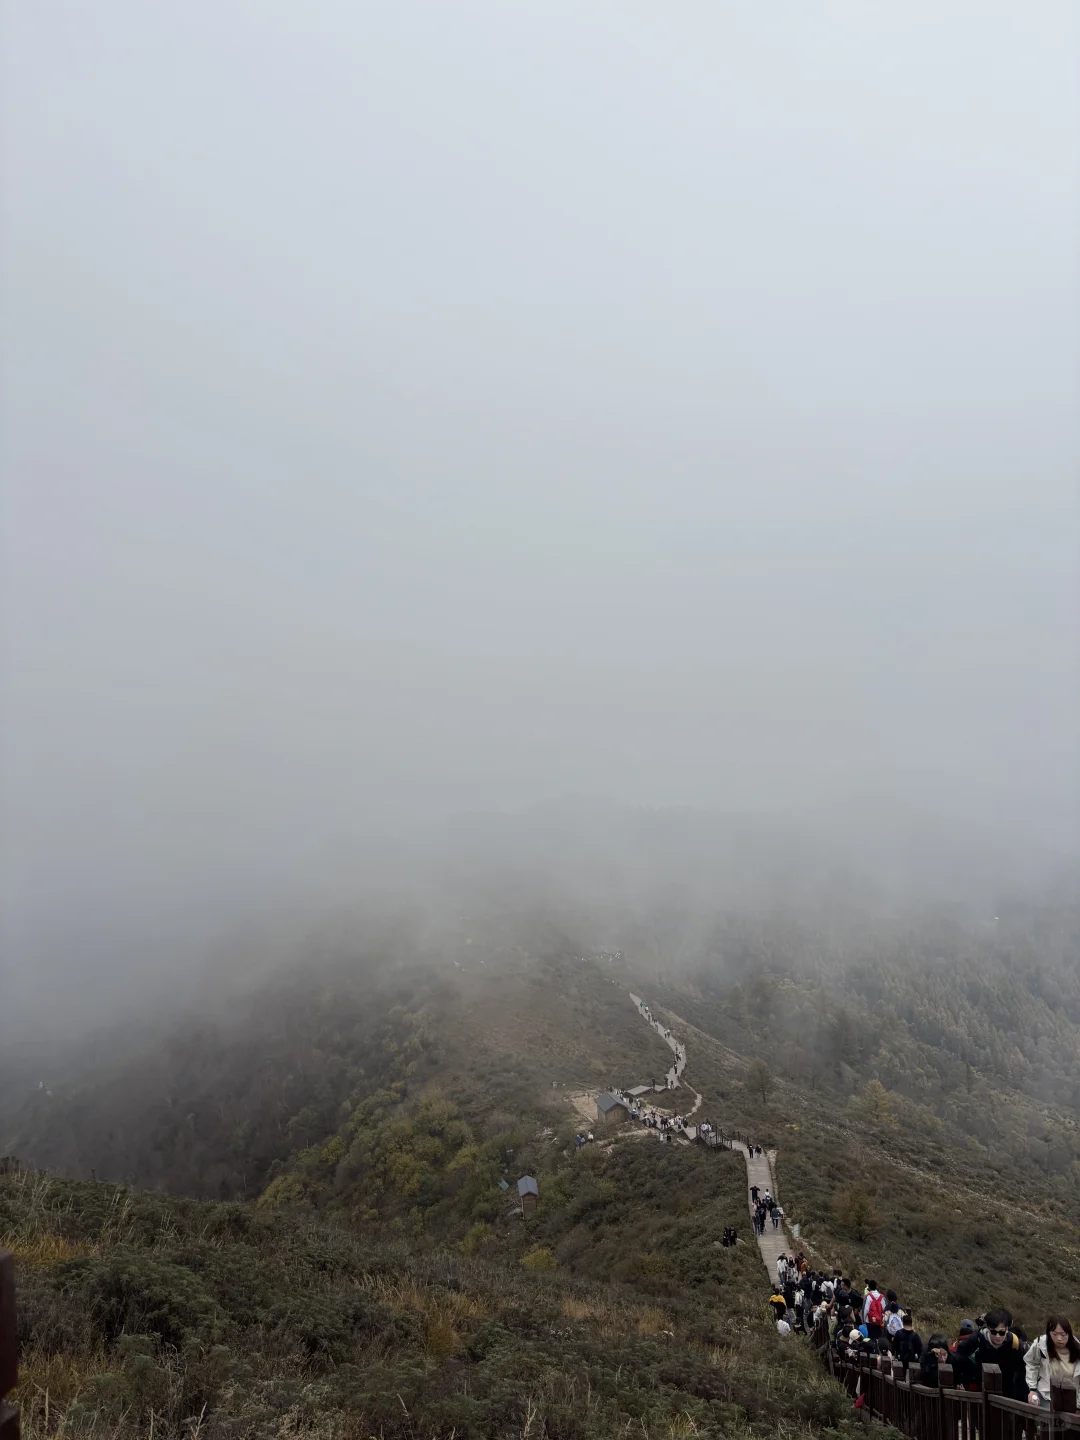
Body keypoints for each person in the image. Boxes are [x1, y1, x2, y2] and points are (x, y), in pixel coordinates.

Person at [955, 1309, 1028, 1401]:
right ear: (988, 1328)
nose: (998, 1336)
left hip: (1007, 1390)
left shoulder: (1015, 1344)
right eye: (993, 1332)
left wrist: (1023, 1397)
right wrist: (966, 1377)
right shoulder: (978, 1338)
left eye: (1001, 1332)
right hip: (981, 1386)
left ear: (1007, 1329)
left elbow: (1022, 1373)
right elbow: (960, 1355)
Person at [1025, 1316, 1080, 1408]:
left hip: (1070, 1398)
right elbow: (1031, 1364)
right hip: (1046, 1395)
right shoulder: (1041, 1345)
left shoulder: (1077, 1349)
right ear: (1049, 1333)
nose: (1059, 1338)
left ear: (1069, 1333)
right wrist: (1032, 1389)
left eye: (1063, 1334)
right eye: (1054, 1334)